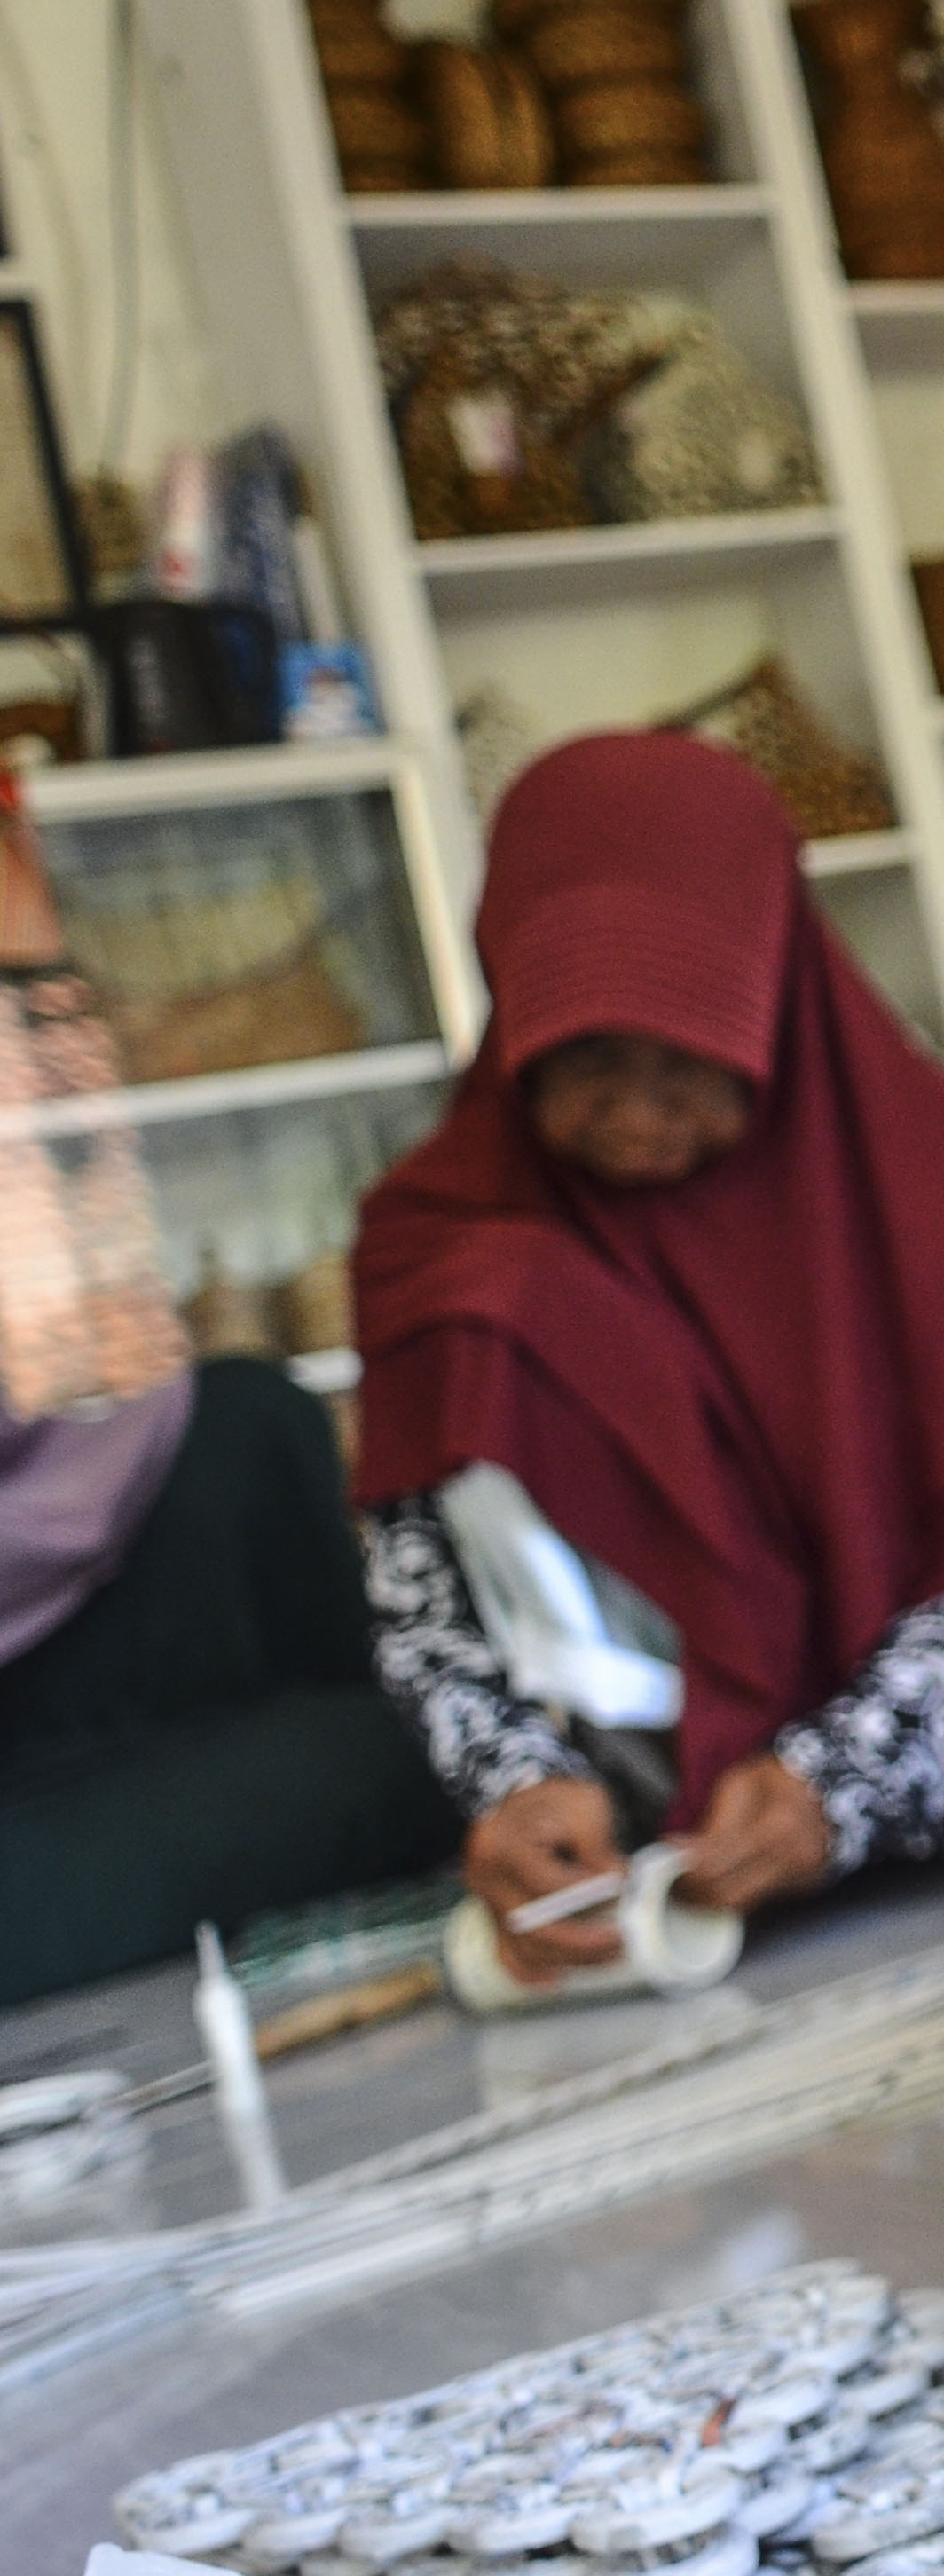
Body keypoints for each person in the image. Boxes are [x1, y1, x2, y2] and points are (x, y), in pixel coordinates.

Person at [353, 734, 944, 1984]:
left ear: (777, 1011)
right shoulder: (436, 1244)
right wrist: (516, 1780)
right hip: (641, 1882)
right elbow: (422, 1588)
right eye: (588, 1060)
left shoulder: (917, 1191)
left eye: (690, 1061)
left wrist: (847, 1775)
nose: (638, 1114)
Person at [0, 781, 453, 2006]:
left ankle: (300, 1870)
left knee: (247, 1421)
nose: (54, 1059)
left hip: (59, 1682)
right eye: (21, 1012)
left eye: (58, 1001)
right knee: (400, 1764)